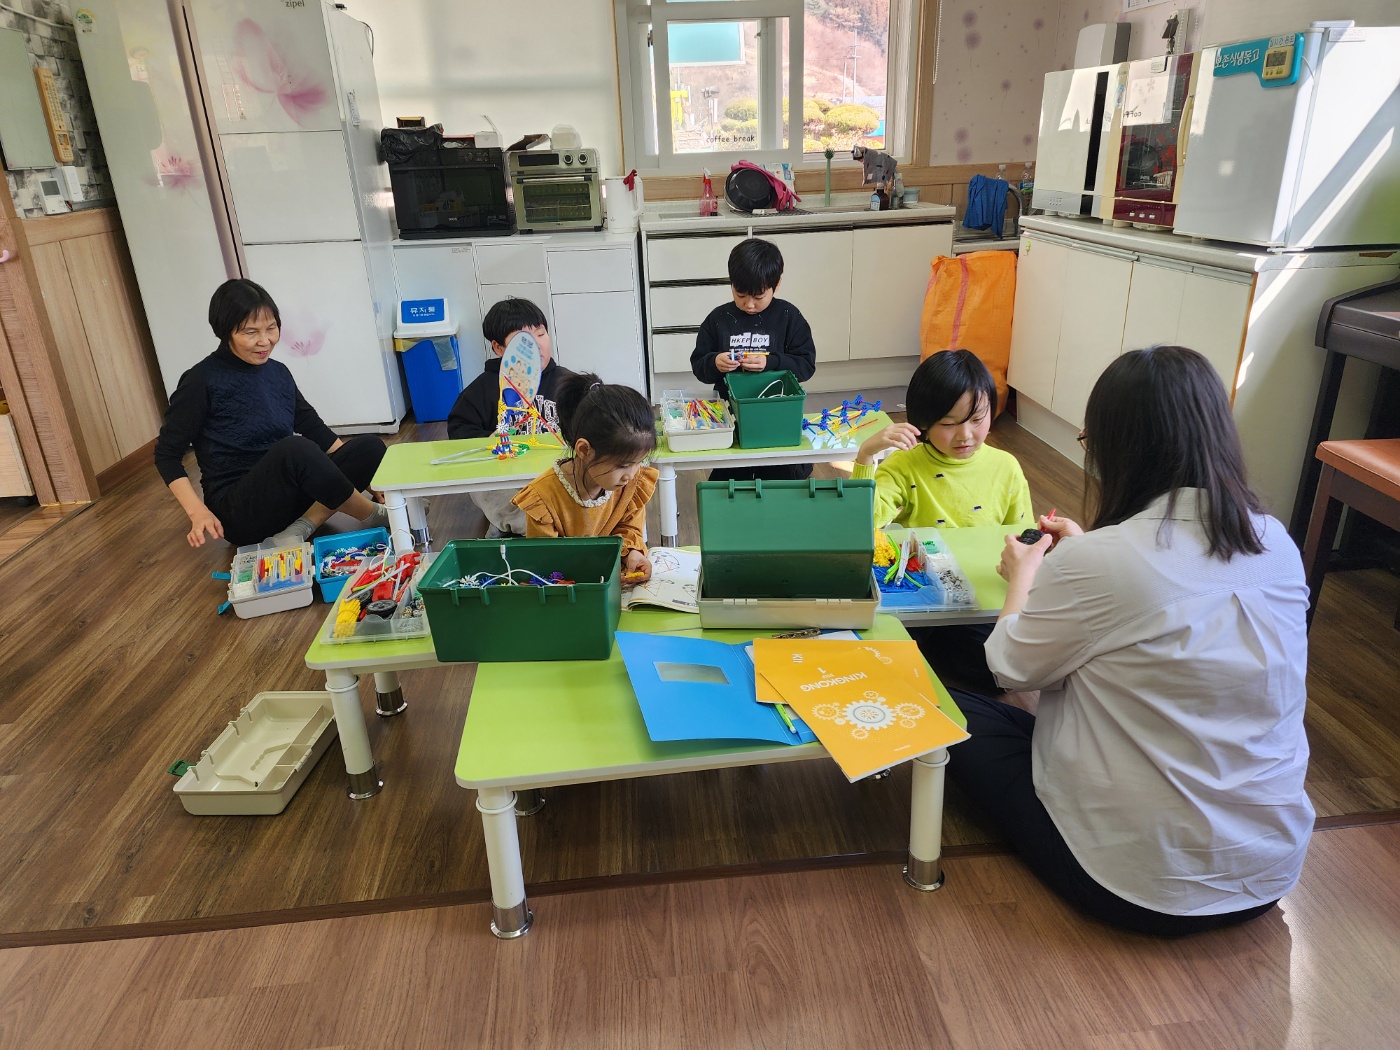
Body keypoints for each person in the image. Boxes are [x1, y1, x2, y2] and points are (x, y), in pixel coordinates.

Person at [949, 345, 1313, 936]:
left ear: (1119, 449)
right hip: (1269, 873)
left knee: (949, 710)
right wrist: (1087, 556)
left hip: (1137, 885)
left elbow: (1008, 666)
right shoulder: (1274, 541)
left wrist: (1025, 577)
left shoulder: (1103, 561)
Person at [154, 279, 389, 549]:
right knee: (295, 449)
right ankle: (374, 515)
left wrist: (364, 476)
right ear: (226, 331)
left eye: (271, 328)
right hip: (241, 511)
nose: (264, 341)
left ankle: (301, 527)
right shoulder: (201, 380)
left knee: (370, 447)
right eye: (250, 332)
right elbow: (167, 454)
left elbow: (314, 427)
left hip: (289, 495)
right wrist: (198, 512)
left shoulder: (278, 372)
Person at [850, 349, 1031, 529]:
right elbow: (861, 522)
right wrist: (866, 454)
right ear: (923, 422)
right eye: (948, 424)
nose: (965, 435)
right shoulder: (904, 465)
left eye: (976, 419)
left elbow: (1023, 534)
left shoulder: (1006, 467)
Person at [512, 372, 659, 584]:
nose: (632, 474)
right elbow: (546, 563)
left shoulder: (630, 485)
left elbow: (629, 528)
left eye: (639, 462)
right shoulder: (544, 498)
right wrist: (594, 575)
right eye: (623, 465)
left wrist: (632, 554)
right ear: (584, 450)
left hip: (614, 586)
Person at [690, 238, 817, 482]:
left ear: (776, 285)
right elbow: (699, 365)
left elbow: (806, 364)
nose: (749, 304)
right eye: (741, 295)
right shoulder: (718, 319)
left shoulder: (788, 316)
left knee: (785, 479)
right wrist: (715, 362)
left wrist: (771, 362)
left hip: (776, 416)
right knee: (728, 481)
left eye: (759, 296)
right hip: (730, 419)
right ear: (731, 284)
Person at [447, 297, 574, 536]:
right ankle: (528, 525)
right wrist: (488, 440)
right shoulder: (482, 389)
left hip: (556, 475)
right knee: (484, 487)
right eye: (523, 340)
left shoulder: (569, 384)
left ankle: (533, 524)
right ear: (499, 348)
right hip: (505, 479)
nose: (536, 345)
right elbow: (459, 430)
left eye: (541, 334)